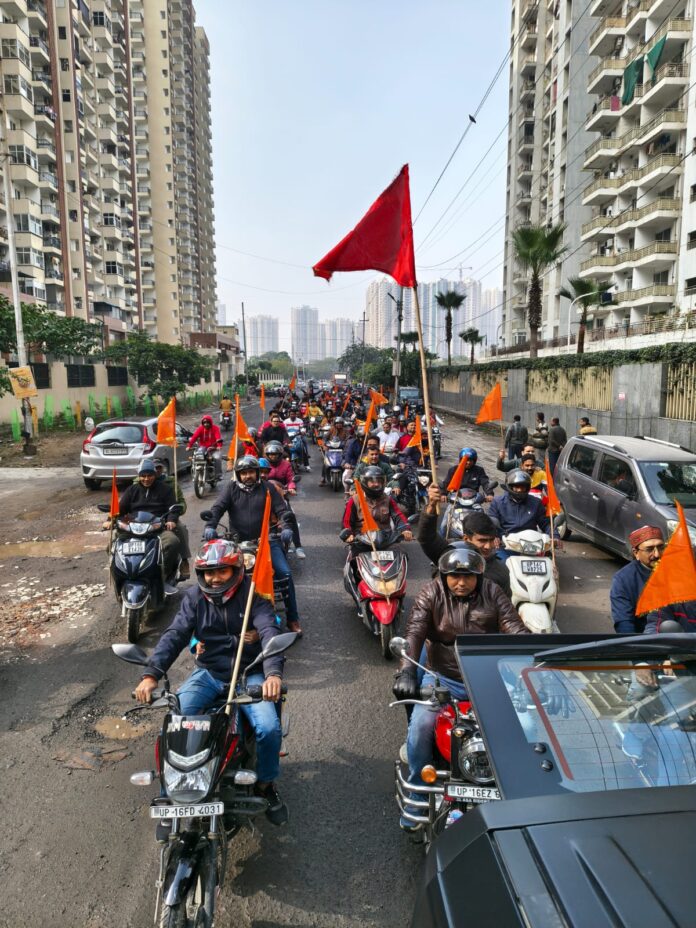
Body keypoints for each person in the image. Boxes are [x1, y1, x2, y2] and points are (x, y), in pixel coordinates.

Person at [134, 539, 289, 826]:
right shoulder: (193, 599)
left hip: (248, 674)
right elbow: (175, 634)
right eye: (208, 572)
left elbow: (270, 634)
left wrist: (272, 675)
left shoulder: (253, 596)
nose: (214, 579)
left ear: (236, 570)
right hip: (209, 674)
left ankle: (266, 785)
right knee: (176, 719)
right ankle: (171, 792)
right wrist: (150, 675)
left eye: (222, 571)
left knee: (268, 728)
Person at [392, 547, 528, 830]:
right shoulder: (431, 593)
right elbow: (415, 630)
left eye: (467, 576)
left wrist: (534, 664)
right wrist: (406, 671)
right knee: (421, 725)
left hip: (487, 678)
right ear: (444, 576)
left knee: (524, 725)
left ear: (479, 576)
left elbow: (514, 627)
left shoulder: (493, 593)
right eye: (454, 576)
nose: (461, 582)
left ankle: (517, 788)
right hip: (443, 678)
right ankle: (418, 792)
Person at [204, 455, 304, 635]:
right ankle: (217, 618)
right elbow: (217, 508)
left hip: (267, 540)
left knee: (284, 574)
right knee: (218, 575)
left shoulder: (268, 488)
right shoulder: (231, 488)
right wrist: (210, 526)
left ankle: (292, 618)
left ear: (257, 473)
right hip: (236, 542)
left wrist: (287, 526)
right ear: (238, 474)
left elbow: (282, 510)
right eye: (244, 473)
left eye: (251, 472)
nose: (248, 476)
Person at [417, 484, 511, 596]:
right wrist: (431, 506)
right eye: (482, 541)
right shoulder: (449, 554)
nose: (488, 546)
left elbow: (505, 608)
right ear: (466, 539)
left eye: (491, 540)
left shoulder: (501, 571)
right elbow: (426, 537)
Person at [109, 459, 182, 577]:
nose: (146, 479)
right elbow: (120, 509)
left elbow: (173, 508)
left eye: (149, 475)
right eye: (143, 476)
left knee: (172, 542)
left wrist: (171, 520)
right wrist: (110, 521)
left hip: (157, 528)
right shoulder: (132, 490)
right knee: (112, 546)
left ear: (155, 475)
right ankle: (121, 575)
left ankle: (164, 574)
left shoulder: (166, 489)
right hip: (133, 529)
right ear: (139, 476)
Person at [610, 526, 665, 634]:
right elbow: (624, 622)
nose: (657, 554)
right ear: (636, 553)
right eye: (649, 549)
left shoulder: (678, 571)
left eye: (660, 547)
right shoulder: (623, 579)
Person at [488, 470, 555, 553]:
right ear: (510, 487)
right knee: (495, 561)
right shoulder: (497, 502)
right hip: (506, 544)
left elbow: (546, 523)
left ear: (527, 487)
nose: (519, 490)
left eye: (523, 487)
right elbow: (491, 523)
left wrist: (554, 536)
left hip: (532, 544)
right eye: (516, 487)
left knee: (549, 560)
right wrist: (494, 536)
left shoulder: (536, 503)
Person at [342, 466, 412, 541]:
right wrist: (348, 534)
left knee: (401, 552)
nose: (376, 484)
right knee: (354, 552)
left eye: (379, 481)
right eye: (372, 481)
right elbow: (347, 521)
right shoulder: (354, 500)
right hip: (361, 540)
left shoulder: (388, 499)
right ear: (365, 482)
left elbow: (398, 515)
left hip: (385, 539)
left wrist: (405, 529)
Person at [258, 456, 305, 560]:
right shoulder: (244, 489)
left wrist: (283, 525)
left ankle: (298, 546)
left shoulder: (273, 487)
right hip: (255, 524)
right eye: (260, 472)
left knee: (290, 515)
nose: (263, 475)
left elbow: (281, 508)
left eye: (266, 472)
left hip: (273, 521)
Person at [153, 456, 191, 579]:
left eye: (158, 468)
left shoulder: (171, 483)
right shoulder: (139, 484)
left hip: (168, 518)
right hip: (145, 521)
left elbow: (181, 502)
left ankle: (184, 561)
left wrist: (175, 513)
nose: (156, 471)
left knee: (181, 529)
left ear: (162, 469)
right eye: (153, 468)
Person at [187, 414, 224, 481]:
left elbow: (218, 437)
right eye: (204, 423)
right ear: (202, 423)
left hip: (213, 448)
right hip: (203, 447)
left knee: (217, 457)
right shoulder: (200, 429)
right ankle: (197, 472)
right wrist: (189, 446)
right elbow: (194, 437)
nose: (206, 424)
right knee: (196, 456)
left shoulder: (215, 428)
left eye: (207, 423)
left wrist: (219, 446)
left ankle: (218, 475)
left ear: (210, 423)